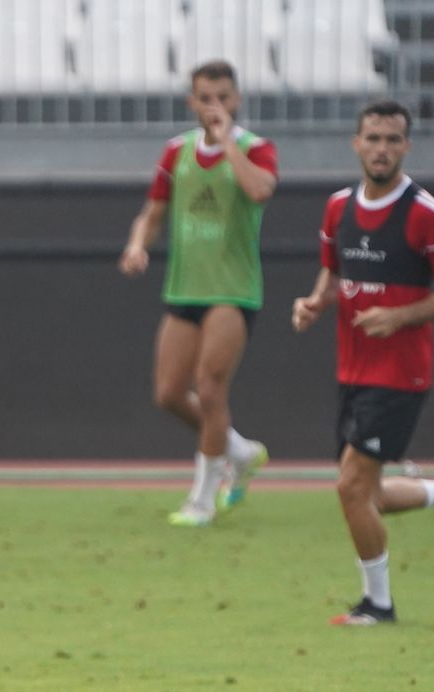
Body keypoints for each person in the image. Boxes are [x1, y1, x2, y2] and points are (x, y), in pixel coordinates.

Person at [291, 100, 434, 626]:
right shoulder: (338, 207)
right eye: (373, 138)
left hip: (400, 374)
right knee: (371, 494)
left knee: (350, 489)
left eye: (392, 140)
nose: (381, 148)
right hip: (352, 369)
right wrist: (316, 301)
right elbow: (334, 273)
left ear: (406, 146)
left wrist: (403, 315)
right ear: (356, 143)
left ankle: (377, 604)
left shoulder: (425, 213)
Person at [119, 59, 276, 527]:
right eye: (206, 98)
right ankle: (240, 451)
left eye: (224, 97)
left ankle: (203, 499)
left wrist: (227, 141)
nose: (215, 106)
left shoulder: (255, 148)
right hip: (185, 287)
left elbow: (260, 190)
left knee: (210, 389)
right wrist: (136, 246)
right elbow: (153, 212)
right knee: (168, 393)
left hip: (232, 290)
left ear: (237, 99)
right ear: (192, 101)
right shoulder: (176, 152)